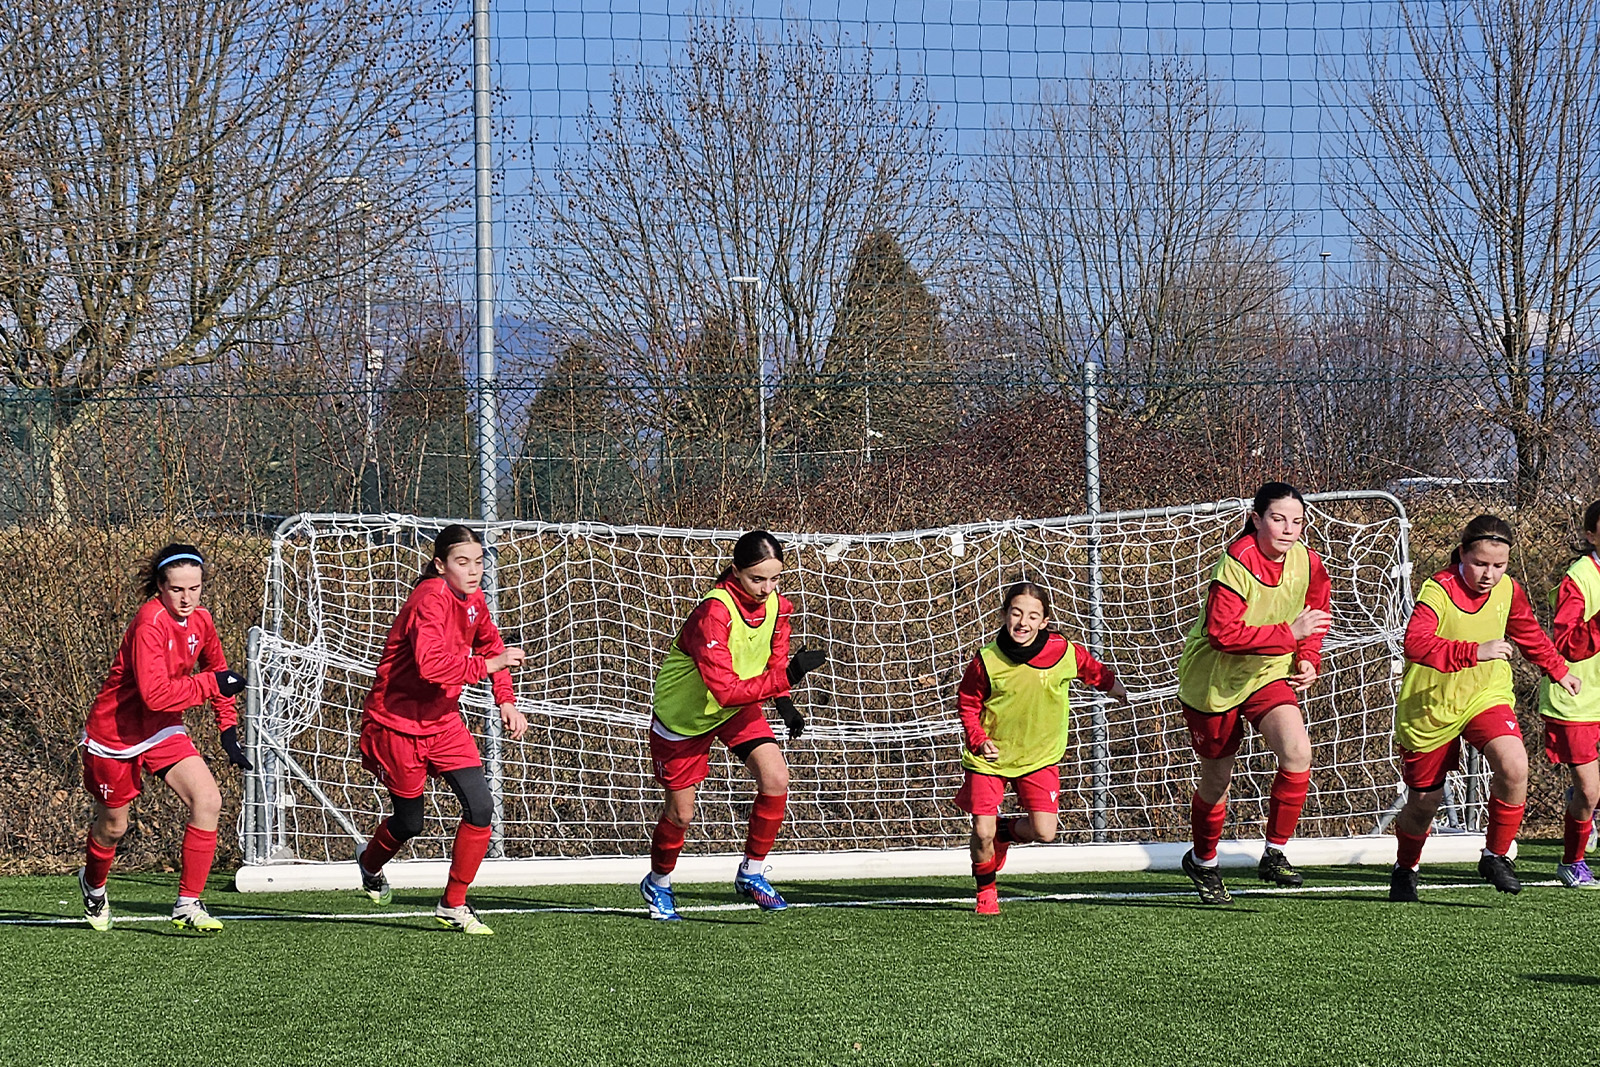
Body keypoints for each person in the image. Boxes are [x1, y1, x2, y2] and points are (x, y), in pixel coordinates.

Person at [1389, 514, 1579, 902]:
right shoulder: (1437, 591)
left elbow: (1529, 633)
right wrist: (1474, 651)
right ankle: (1406, 868)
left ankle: (1495, 856)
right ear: (1461, 554)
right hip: (1432, 704)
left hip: (1485, 695)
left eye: (1499, 565)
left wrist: (1558, 670)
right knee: (1424, 804)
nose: (1489, 574)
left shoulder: (1508, 590)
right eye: (1480, 564)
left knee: (1514, 765)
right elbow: (1416, 644)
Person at [639, 530, 825, 921]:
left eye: (775, 578)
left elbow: (773, 662)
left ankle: (752, 873)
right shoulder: (714, 613)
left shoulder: (777, 606)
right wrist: (788, 678)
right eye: (758, 579)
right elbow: (724, 690)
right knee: (681, 814)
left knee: (776, 779)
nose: (767, 588)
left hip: (737, 707)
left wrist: (784, 703)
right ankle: (658, 882)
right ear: (736, 571)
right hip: (685, 718)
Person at [353, 524, 528, 935]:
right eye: (461, 562)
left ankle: (453, 903)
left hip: (444, 723)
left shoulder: (475, 600)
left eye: (479, 562)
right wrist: (489, 667)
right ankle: (369, 863)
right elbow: (432, 667)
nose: (473, 571)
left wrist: (505, 699)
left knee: (481, 807)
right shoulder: (428, 600)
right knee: (410, 822)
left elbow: (492, 647)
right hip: (396, 725)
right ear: (440, 565)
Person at [77, 544, 250, 933]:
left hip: (161, 728)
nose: (187, 598)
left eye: (195, 588)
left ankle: (188, 904)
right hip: (116, 734)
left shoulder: (202, 621)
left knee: (208, 799)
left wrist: (228, 729)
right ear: (160, 586)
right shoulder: (149, 622)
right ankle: (93, 884)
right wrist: (212, 684)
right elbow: (156, 693)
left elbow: (217, 670)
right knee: (114, 827)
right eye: (177, 589)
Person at [1175, 482, 1332, 904]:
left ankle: (1276, 852)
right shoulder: (1235, 565)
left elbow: (1315, 616)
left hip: (1267, 672)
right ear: (1256, 518)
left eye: (1297, 521)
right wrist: (1290, 634)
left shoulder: (1308, 562)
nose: (1288, 529)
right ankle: (1203, 861)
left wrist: (1307, 658)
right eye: (1278, 519)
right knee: (1217, 783)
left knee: (1298, 753)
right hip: (1213, 682)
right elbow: (1222, 634)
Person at [956, 580, 1129, 914]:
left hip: (1039, 756)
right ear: (1004, 614)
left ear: (1044, 621)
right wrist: (978, 739)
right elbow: (967, 702)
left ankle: (1005, 833)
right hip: (990, 759)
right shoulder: (987, 661)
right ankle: (986, 890)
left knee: (1044, 831)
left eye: (1033, 616)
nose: (1023, 622)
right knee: (981, 829)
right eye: (1016, 613)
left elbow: (1090, 669)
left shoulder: (1063, 651)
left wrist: (1113, 686)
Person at [1537, 501, 1600, 888]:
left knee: (1593, 792)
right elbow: (1568, 643)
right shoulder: (1578, 578)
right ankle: (1571, 862)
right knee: (1589, 791)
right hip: (1576, 698)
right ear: (1591, 535)